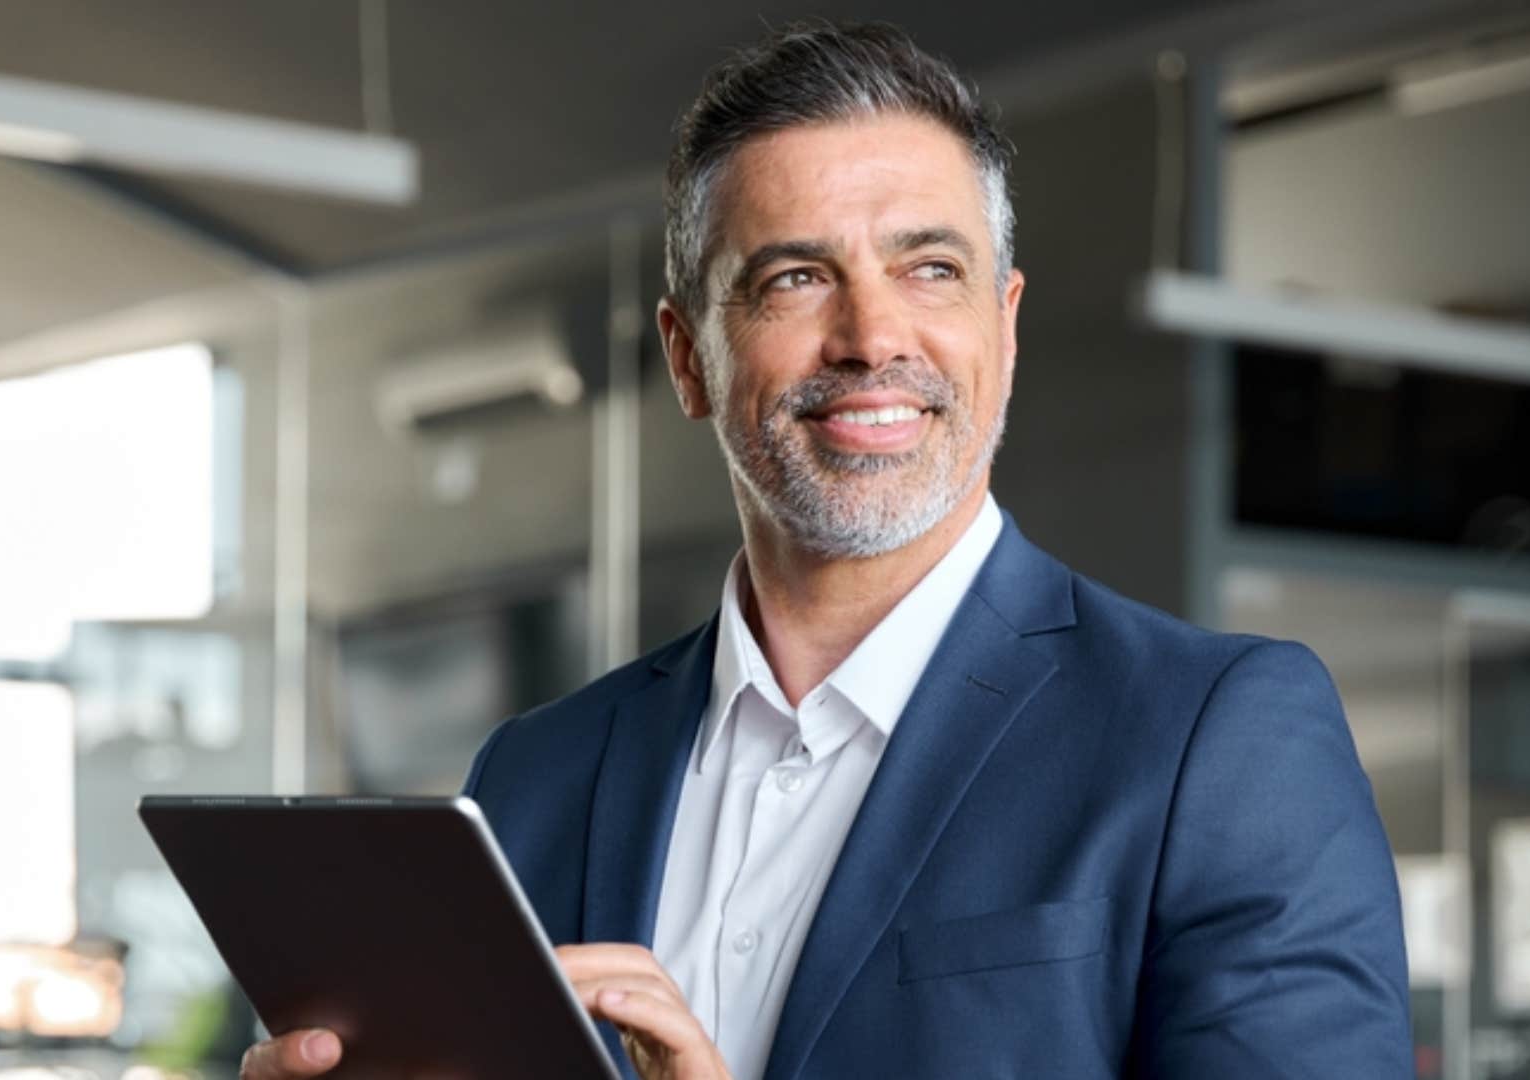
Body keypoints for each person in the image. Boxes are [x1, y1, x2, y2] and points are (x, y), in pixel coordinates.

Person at [241, 21, 1411, 1080]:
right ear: (688, 357)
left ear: (1002, 328)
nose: (872, 337)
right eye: (796, 278)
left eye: (930, 269)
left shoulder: (1219, 738)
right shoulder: (535, 780)